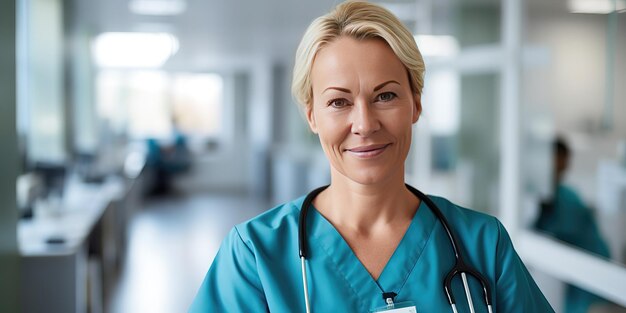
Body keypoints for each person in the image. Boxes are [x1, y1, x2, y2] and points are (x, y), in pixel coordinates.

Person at [190, 1, 554, 312]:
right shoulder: (256, 255)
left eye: (386, 96)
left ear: (416, 103)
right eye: (338, 101)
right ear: (312, 116)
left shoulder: (483, 245)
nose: (364, 124)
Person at [535, 137, 610, 313]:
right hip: (574, 270)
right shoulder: (543, 195)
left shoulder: (568, 197)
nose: (561, 167)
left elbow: (566, 231)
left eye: (564, 162)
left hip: (590, 262)